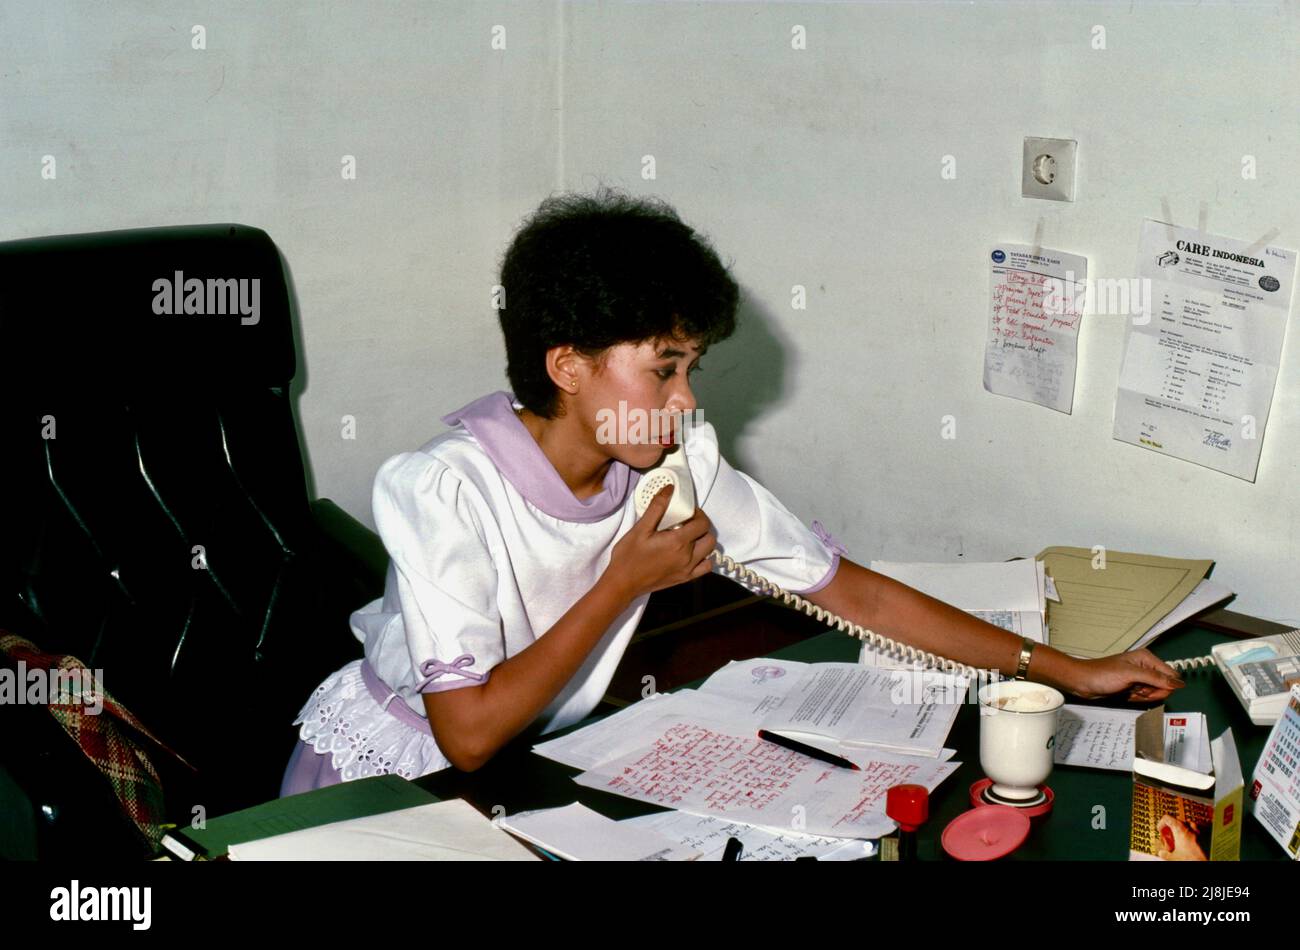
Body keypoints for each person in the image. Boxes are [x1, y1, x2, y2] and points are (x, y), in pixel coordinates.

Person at [279, 188, 1185, 795]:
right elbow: (467, 733)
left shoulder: (676, 461)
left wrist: (1065, 670)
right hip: (385, 780)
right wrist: (623, 582)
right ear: (568, 367)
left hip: (531, 766)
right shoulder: (443, 490)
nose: (688, 400)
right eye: (665, 368)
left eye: (693, 367)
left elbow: (851, 591)